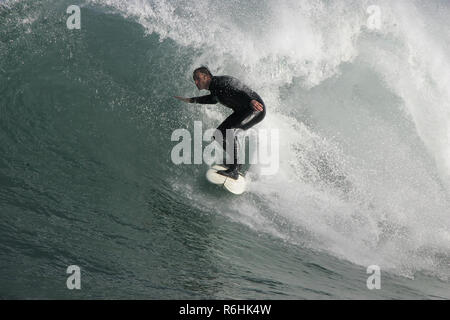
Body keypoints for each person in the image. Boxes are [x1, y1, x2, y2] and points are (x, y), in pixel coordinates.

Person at [174, 66, 266, 180]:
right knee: (218, 134)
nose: (196, 82)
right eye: (194, 80)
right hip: (243, 111)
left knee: (229, 132)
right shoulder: (214, 89)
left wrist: (250, 100)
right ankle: (236, 163)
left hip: (255, 109)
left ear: (206, 76)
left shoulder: (221, 82)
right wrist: (192, 100)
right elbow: (212, 100)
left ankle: (234, 169)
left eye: (197, 78)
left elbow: (240, 87)